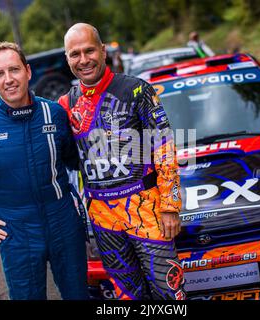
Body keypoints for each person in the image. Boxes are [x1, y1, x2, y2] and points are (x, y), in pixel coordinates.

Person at [0, 41, 89, 300]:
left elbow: (75, 160)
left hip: (63, 221)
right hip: (16, 229)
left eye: (14, 70)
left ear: (28, 71)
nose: (9, 79)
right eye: (0, 74)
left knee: (78, 294)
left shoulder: (54, 113)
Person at [58, 23, 185, 300]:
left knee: (169, 294)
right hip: (103, 221)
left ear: (103, 51)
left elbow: (165, 150)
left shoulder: (137, 90)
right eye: (75, 54)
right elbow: (38, 124)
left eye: (89, 50)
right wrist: (0, 106)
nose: (83, 60)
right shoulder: (65, 105)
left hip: (148, 212)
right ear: (67, 59)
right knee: (127, 296)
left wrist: (170, 206)